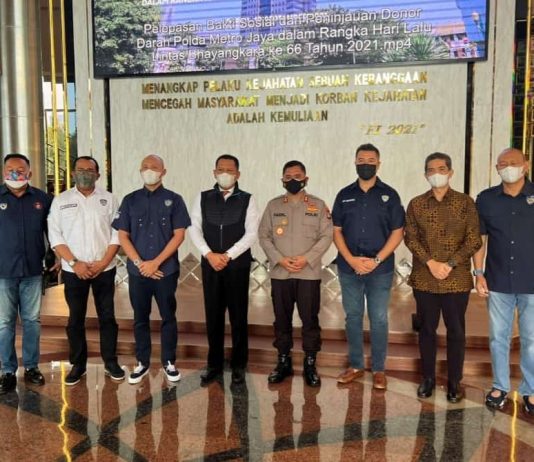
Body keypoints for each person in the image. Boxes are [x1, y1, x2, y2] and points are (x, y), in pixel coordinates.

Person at [405, 152, 481, 402]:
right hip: (425, 278)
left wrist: (449, 264)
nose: (436, 173)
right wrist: (431, 263)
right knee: (427, 330)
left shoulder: (465, 203)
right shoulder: (416, 204)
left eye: (441, 169)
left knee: (456, 331)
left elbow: (474, 240)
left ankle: (454, 381)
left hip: (456, 279)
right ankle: (427, 378)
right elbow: (410, 238)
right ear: (425, 174)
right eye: (431, 169)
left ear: (450, 172)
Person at [112, 155, 191, 384]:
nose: (149, 171)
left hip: (165, 271)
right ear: (140, 170)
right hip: (138, 272)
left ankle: (169, 362)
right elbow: (123, 235)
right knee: (140, 318)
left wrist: (155, 263)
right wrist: (140, 264)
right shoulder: (130, 200)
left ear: (163, 172)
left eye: (154, 167)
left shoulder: (174, 200)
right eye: (145, 167)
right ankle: (142, 362)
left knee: (168, 316)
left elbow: (179, 235)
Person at [332, 143, 405, 390]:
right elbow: (336, 231)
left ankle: (379, 369)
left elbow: (398, 232)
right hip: (349, 268)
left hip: (380, 270)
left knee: (379, 319)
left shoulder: (390, 195)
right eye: (361, 160)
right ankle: (355, 365)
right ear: (355, 162)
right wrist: (351, 260)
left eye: (371, 160)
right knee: (352, 317)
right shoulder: (344, 194)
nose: (366, 164)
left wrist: (376, 261)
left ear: (378, 164)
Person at [48, 156, 124, 385]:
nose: (85, 173)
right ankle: (78, 364)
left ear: (97, 175)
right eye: (80, 169)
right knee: (75, 319)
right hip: (74, 271)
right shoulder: (61, 200)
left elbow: (117, 234)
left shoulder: (109, 199)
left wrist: (103, 262)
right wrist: (74, 263)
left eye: (90, 170)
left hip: (105, 268)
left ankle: (110, 362)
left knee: (107, 317)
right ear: (73, 173)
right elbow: (55, 235)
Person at [258, 160, 332, 387]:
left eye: (297, 176)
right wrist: (280, 259)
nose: (293, 180)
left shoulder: (318, 205)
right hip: (281, 273)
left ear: (306, 179)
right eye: (288, 176)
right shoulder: (273, 206)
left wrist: (306, 258)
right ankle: (283, 361)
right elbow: (264, 236)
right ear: (282, 180)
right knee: (282, 320)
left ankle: (310, 363)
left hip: (308, 273)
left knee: (309, 320)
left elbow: (327, 235)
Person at [189, 154, 259, 385]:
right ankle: (214, 364)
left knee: (238, 316)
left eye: (230, 170)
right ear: (214, 172)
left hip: (237, 265)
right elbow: (194, 229)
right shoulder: (203, 197)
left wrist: (227, 256)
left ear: (238, 174)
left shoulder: (248, 199)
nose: (225, 174)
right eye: (221, 169)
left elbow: (251, 234)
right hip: (211, 264)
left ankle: (239, 365)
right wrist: (209, 254)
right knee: (213, 316)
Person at [473, 148, 534, 415]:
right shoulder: (486, 199)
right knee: (499, 337)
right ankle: (500, 387)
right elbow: (480, 239)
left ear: (525, 165)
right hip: (498, 279)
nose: (508, 167)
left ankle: (531, 390)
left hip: (531, 281)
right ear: (497, 169)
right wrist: (478, 273)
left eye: (513, 163)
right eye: (502, 164)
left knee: (531, 339)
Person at [0, 153, 51, 394]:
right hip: (3, 272)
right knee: (4, 323)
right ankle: (7, 371)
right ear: (3, 172)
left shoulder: (43, 199)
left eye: (20, 170)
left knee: (31, 321)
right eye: (10, 169)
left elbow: (53, 232)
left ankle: (31, 367)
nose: (15, 173)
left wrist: (55, 256)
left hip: (32, 270)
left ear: (29, 173)